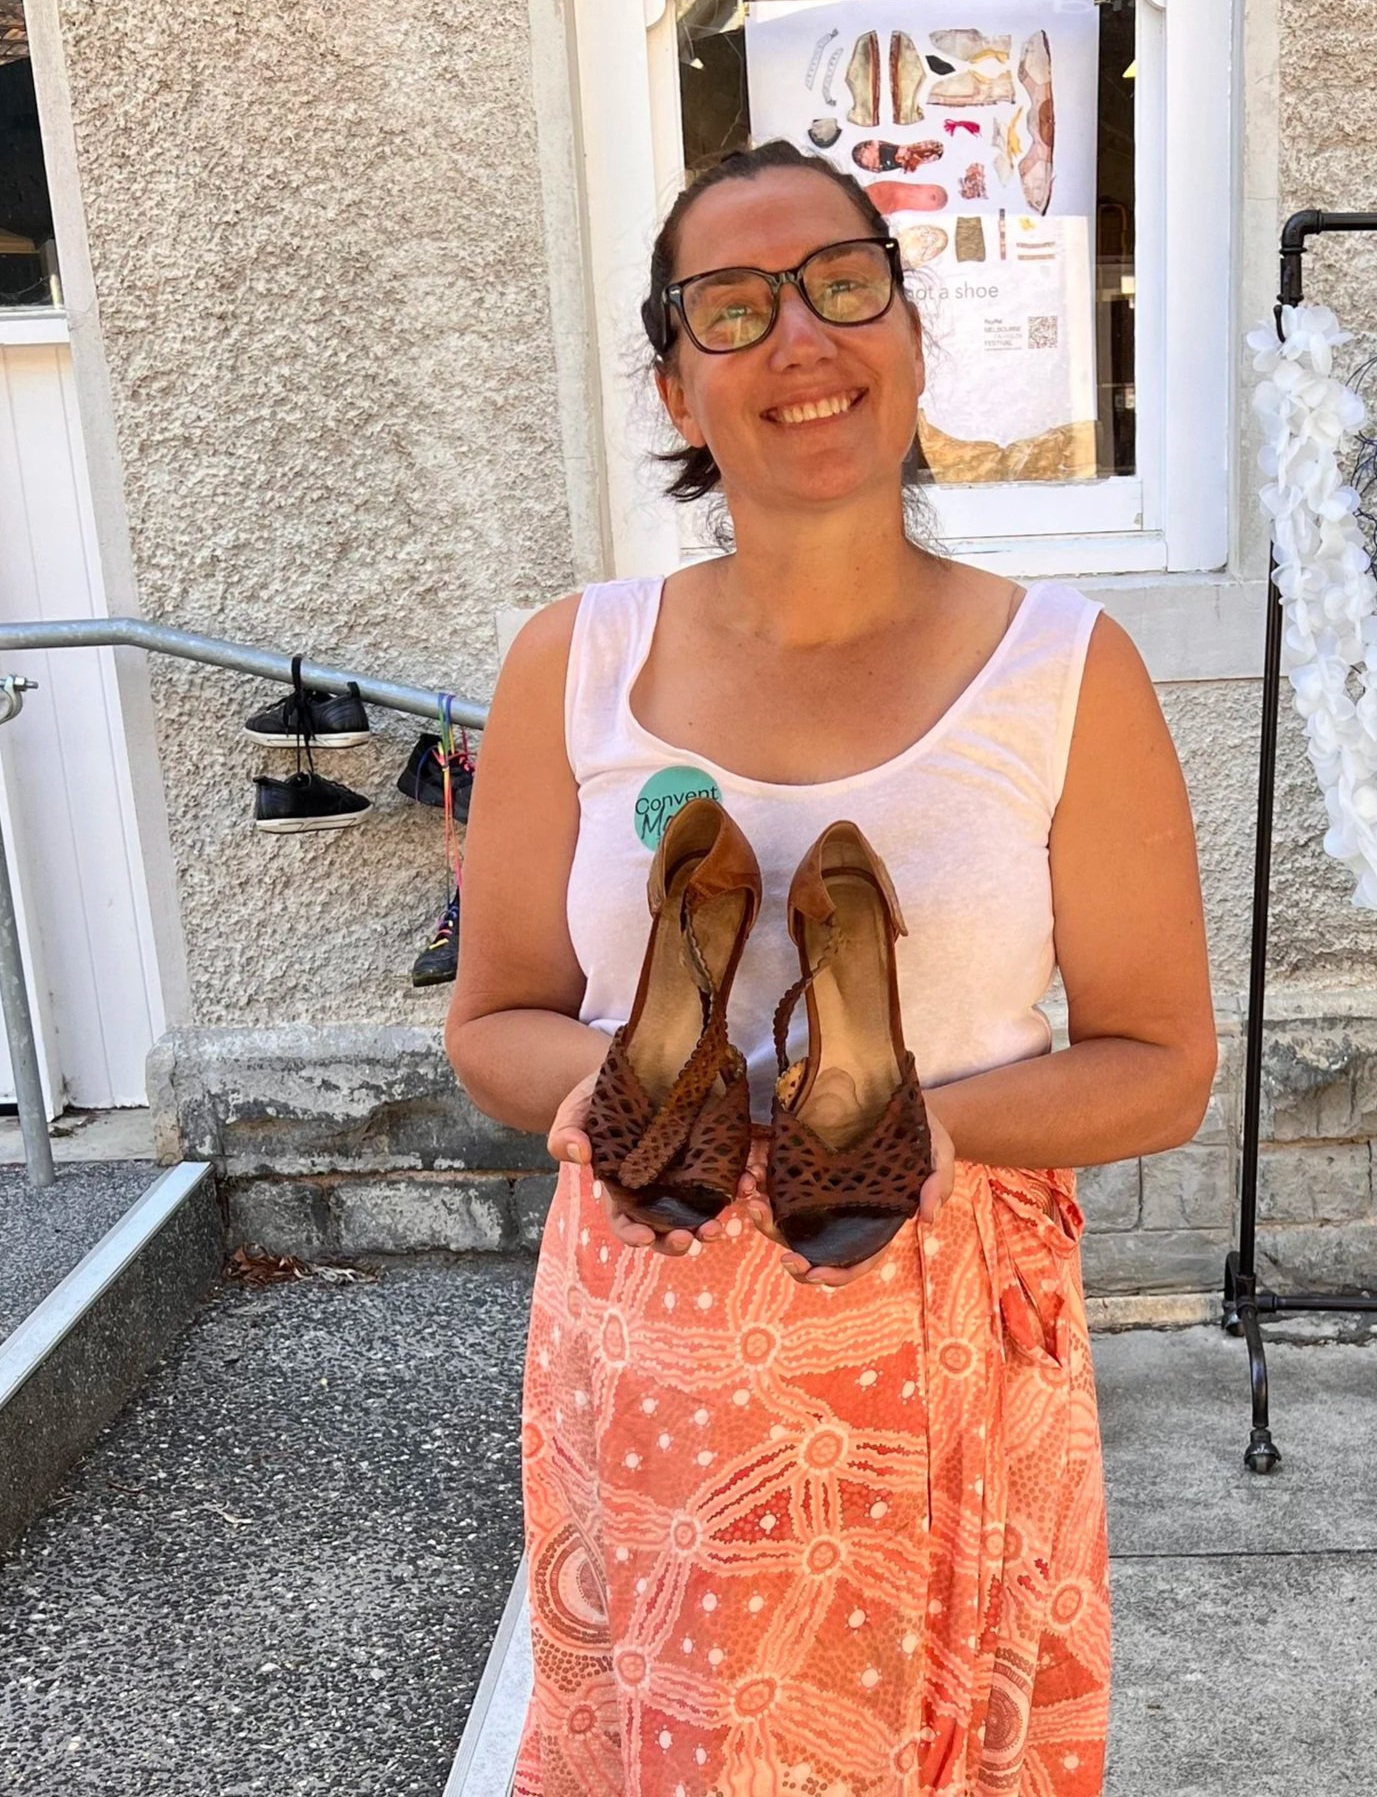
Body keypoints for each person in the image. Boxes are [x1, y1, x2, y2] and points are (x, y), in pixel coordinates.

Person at [446, 138, 1217, 1796]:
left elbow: (1163, 1064)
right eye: (733, 309)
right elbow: (492, 1021)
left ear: (912, 337)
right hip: (645, 1303)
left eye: (842, 285)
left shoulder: (1065, 671)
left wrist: (929, 1129)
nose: (801, 341)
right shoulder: (571, 665)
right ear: (673, 385)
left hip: (936, 1311)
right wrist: (619, 1093)